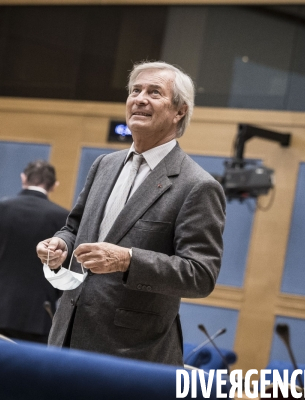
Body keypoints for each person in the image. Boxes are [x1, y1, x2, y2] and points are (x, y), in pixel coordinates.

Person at [36, 61, 226, 365]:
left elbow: (200, 275)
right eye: (135, 91)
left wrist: (128, 260)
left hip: (132, 353)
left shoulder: (197, 185)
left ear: (180, 111)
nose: (139, 98)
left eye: (154, 92)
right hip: (66, 337)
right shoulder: (104, 165)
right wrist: (60, 245)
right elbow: (74, 228)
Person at [0, 160, 69, 343]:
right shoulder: (62, 217)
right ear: (54, 186)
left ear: (23, 178)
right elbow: (62, 268)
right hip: (38, 313)